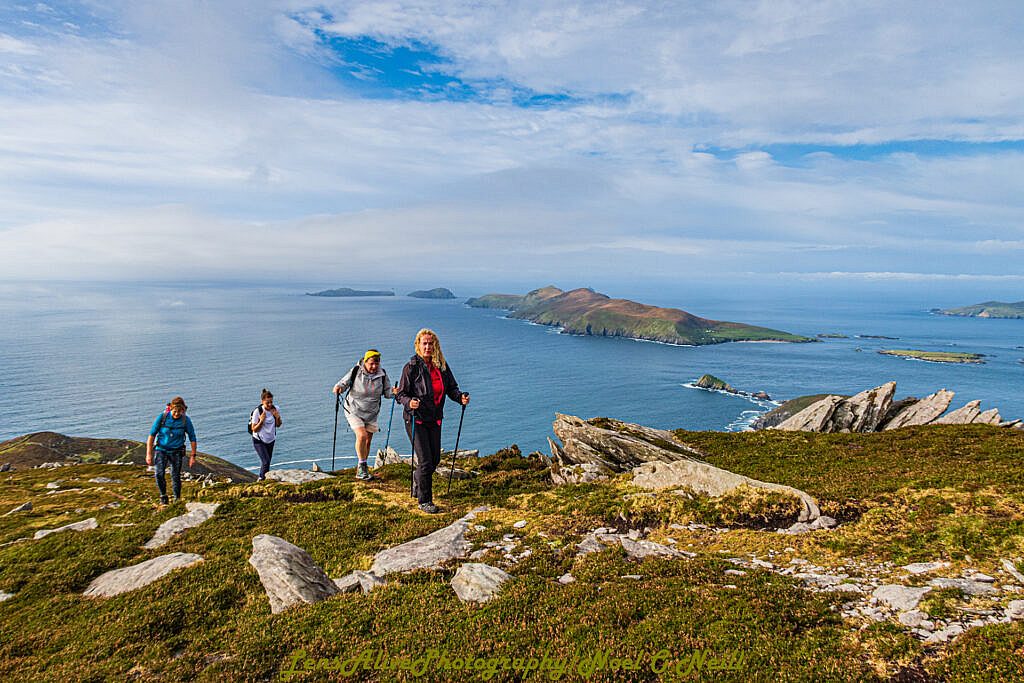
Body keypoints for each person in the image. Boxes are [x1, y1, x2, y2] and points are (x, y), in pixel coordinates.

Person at [396, 329, 469, 514]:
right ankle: (424, 501)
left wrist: (460, 397)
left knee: (435, 459)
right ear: (418, 346)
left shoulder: (442, 366)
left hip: (435, 419)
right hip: (415, 419)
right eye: (424, 343)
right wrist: (409, 402)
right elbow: (401, 394)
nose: (428, 347)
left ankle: (417, 479)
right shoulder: (411, 367)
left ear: (435, 346)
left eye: (431, 343)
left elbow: (451, 388)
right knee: (426, 461)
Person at [333, 349, 396, 481]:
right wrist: (338, 388)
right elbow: (343, 383)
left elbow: (387, 392)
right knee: (361, 435)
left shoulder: (382, 374)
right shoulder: (356, 371)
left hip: (372, 413)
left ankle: (363, 467)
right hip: (354, 409)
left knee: (367, 442)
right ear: (365, 362)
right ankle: (361, 468)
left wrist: (394, 392)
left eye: (377, 363)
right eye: (371, 363)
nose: (374, 366)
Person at [146, 396, 197, 505]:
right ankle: (163, 496)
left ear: (183, 410)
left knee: (175, 476)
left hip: (176, 451)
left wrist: (193, 456)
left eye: (180, 411)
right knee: (159, 474)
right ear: (170, 409)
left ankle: (176, 499)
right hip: (161, 450)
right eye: (175, 411)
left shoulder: (185, 420)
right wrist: (149, 454)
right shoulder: (162, 417)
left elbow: (192, 437)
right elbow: (151, 436)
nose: (177, 414)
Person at [250, 388, 282, 481]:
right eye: (267, 402)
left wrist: (277, 417)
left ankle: (265, 479)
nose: (270, 404)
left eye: (271, 402)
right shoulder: (258, 411)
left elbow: (278, 425)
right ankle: (261, 479)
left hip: (271, 439)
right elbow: (254, 429)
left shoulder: (275, 409)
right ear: (262, 401)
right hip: (259, 440)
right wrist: (261, 420)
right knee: (265, 461)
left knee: (267, 462)